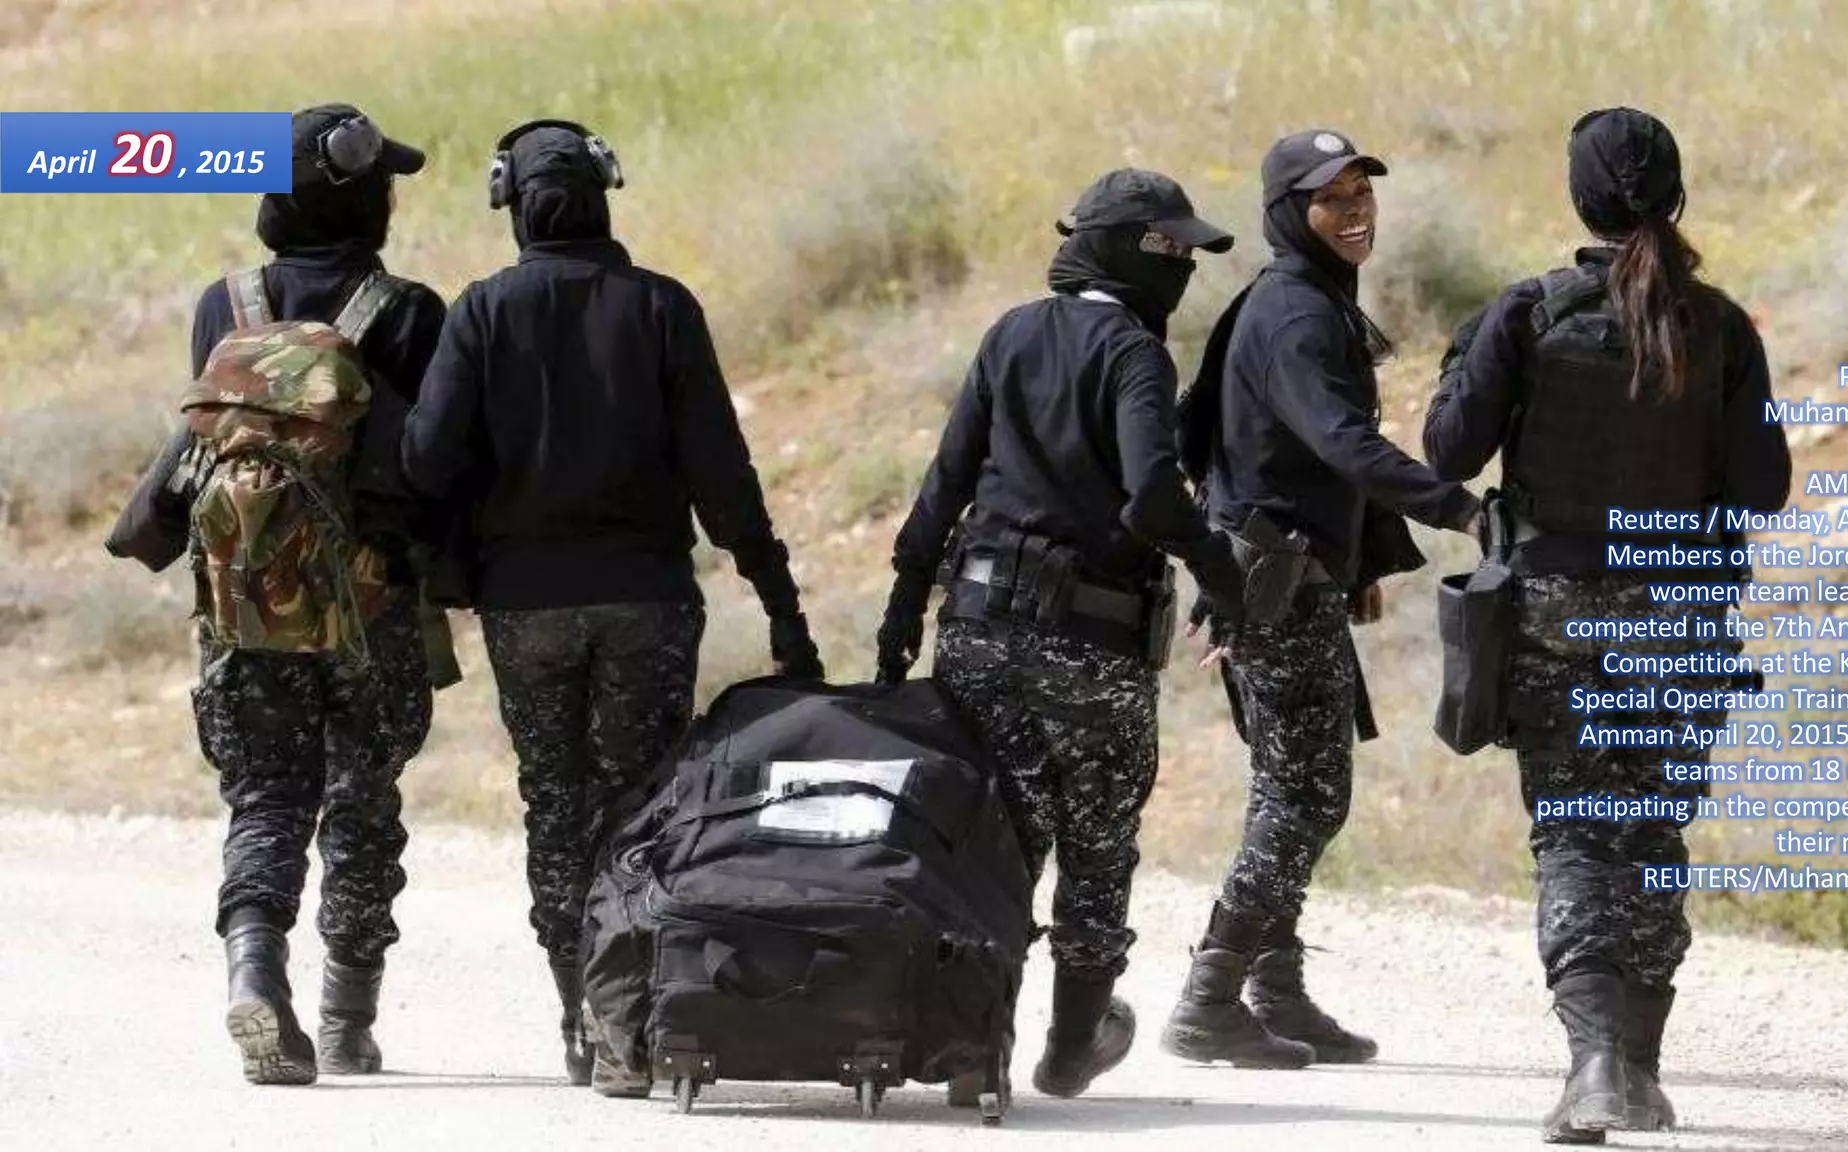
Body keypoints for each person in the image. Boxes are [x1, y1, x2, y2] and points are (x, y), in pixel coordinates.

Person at [400, 119, 824, 1093]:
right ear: (602, 193)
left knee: (555, 805)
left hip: (525, 608)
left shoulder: (480, 312)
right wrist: (780, 603)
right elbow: (723, 474)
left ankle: (579, 1017)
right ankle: (627, 1020)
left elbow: (424, 461)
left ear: (509, 203)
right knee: (638, 805)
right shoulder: (662, 308)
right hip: (647, 601)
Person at [1423, 107, 1791, 1142]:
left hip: (1555, 623)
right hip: (1679, 621)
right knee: (1650, 833)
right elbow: (1763, 488)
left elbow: (1447, 452)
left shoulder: (1528, 314)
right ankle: (1636, 1067)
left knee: (1576, 833)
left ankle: (1594, 1065)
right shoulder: (1721, 328)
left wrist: (1464, 366)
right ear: (1676, 196)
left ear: (1579, 200)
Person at [876, 169, 1247, 1101]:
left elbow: (944, 481)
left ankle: (973, 1047)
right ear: (1128, 251)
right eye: (1174, 250)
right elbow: (1152, 494)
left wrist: (904, 605)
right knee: (1097, 843)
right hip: (1091, 642)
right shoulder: (1135, 353)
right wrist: (1220, 571)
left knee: (991, 840)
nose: (1187, 269)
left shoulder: (1010, 334)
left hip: (977, 631)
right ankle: (1073, 1044)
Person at [105, 104, 446, 1085]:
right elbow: (433, 466)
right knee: (362, 802)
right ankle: (346, 1020)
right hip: (370, 608)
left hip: (243, 603)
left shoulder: (224, 306)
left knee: (264, 797)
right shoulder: (407, 312)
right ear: (363, 202)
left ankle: (255, 972)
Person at [1165, 129, 1483, 1069]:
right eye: (1331, 199)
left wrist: (1365, 560)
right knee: (1307, 797)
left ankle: (1275, 992)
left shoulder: (1304, 299)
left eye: (1361, 194)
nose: (1355, 213)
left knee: (1288, 789)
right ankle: (1210, 995)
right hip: (1275, 582)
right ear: (1286, 211)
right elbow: (1345, 442)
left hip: (1292, 576)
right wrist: (1463, 509)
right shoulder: (1297, 315)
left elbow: (1305, 452)